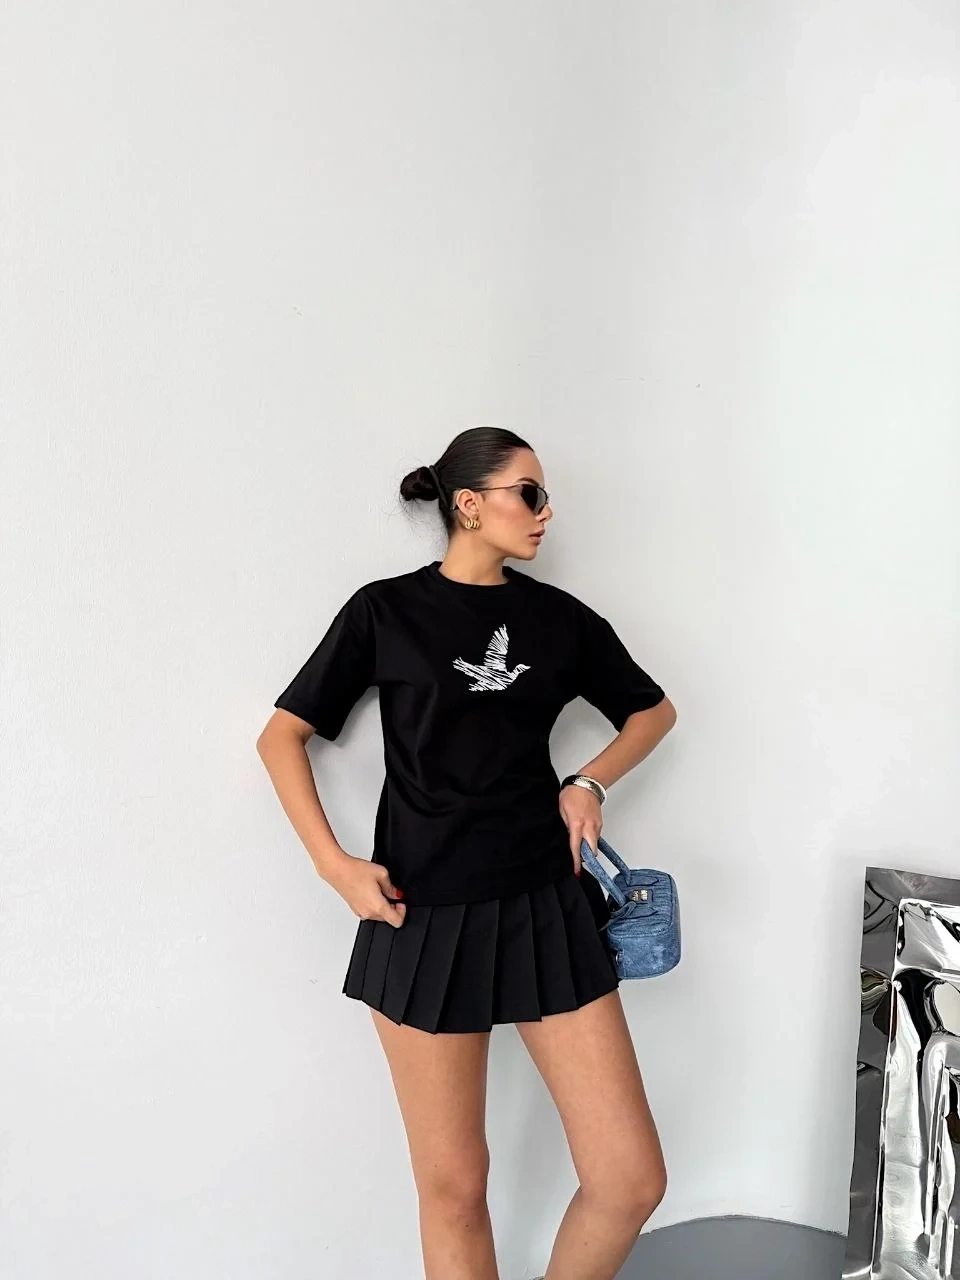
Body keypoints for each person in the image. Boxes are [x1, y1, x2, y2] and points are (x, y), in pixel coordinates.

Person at [256, 425, 677, 1280]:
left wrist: (587, 783)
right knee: (454, 1189)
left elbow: (652, 711)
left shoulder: (559, 620)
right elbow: (281, 737)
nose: (545, 512)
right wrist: (335, 866)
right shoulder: (384, 612)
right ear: (469, 504)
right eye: (530, 493)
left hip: (545, 906)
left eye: (545, 496)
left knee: (629, 1178)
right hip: (422, 915)